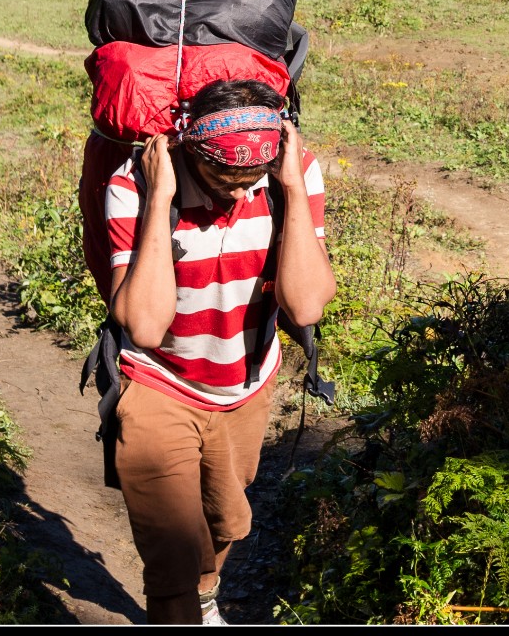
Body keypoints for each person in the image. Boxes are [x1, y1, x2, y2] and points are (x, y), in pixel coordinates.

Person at [104, 77, 336, 626]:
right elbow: (144, 325)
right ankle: (182, 602)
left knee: (225, 521)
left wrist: (293, 191)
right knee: (172, 559)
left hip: (245, 385)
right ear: (189, 149)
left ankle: (205, 595)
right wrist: (162, 197)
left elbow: (304, 308)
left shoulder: (291, 175)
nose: (237, 193)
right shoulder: (135, 182)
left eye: (251, 178)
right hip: (159, 380)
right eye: (220, 177)